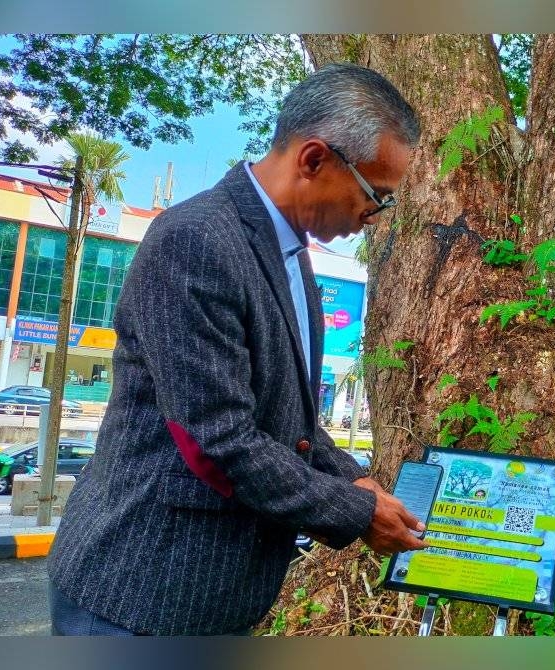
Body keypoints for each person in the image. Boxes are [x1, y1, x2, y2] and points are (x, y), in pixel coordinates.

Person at [47, 63, 428, 636]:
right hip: (140, 594)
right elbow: (217, 440)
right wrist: (355, 511)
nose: (373, 217)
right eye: (376, 196)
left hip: (217, 597)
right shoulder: (195, 240)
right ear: (314, 160)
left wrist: (353, 480)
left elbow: (288, 420)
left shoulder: (292, 257)